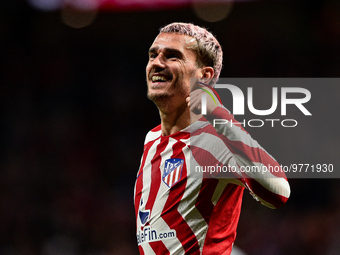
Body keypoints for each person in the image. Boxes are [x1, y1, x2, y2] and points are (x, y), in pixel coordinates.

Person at [134, 22, 290, 255]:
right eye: (153, 54)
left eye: (172, 56)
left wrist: (218, 114)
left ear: (204, 76)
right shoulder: (152, 139)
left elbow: (279, 192)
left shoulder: (216, 138)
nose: (157, 62)